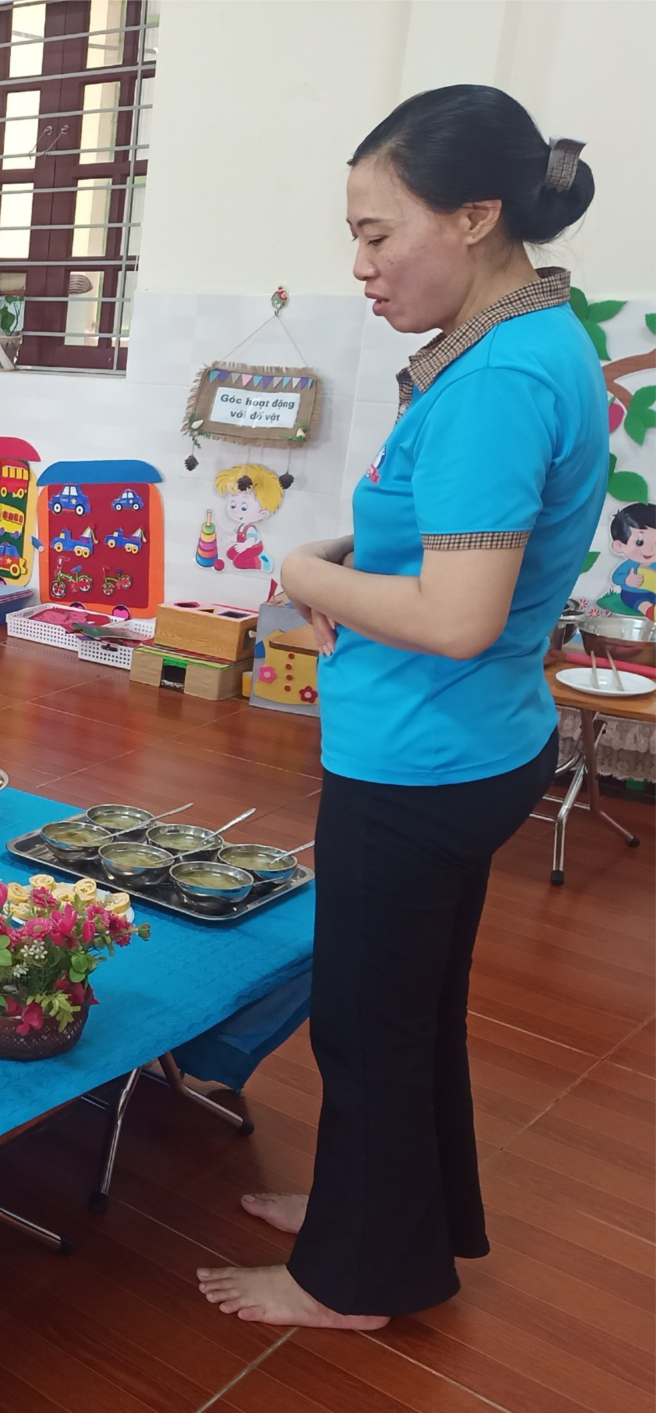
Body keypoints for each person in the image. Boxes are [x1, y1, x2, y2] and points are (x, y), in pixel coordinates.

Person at [198, 86, 607, 1331]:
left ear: (474, 216)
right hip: (471, 737)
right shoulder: (535, 337)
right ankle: (380, 1209)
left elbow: (455, 614)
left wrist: (298, 569)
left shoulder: (496, 378)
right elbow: (448, 551)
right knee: (409, 1009)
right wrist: (349, 556)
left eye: (377, 233)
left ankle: (355, 1280)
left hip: (423, 751)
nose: (360, 265)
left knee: (367, 1023)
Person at [606, 501, 656, 617]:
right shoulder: (630, 565)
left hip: (653, 592)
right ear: (619, 545)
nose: (650, 549)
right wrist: (627, 579)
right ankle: (650, 612)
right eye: (640, 542)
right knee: (641, 602)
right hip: (633, 593)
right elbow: (616, 577)